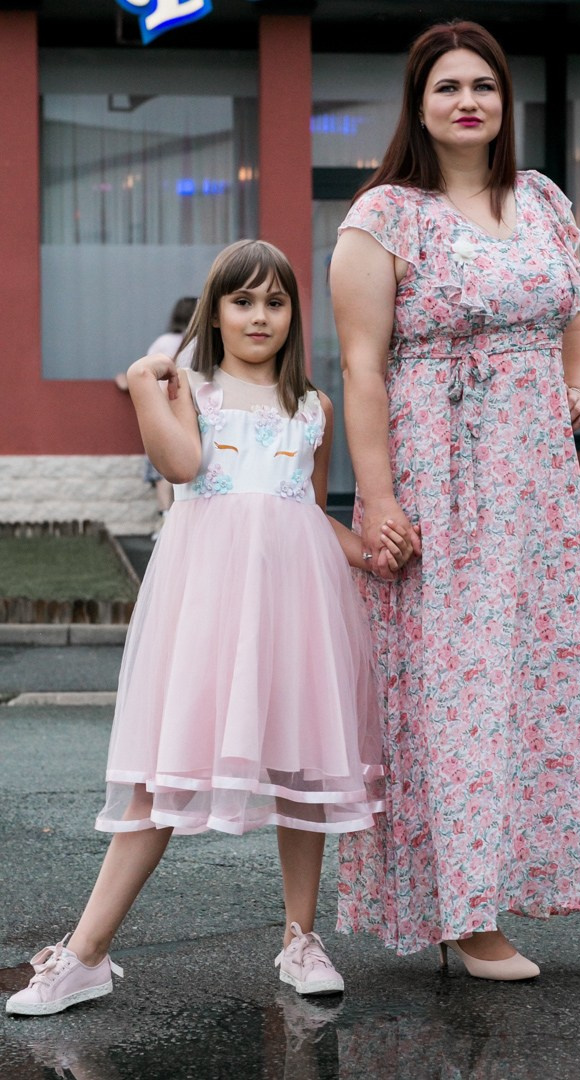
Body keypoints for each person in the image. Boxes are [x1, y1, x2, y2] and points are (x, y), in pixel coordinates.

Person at [330, 21, 580, 979]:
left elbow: (576, 316)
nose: (467, 101)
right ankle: (465, 909)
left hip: (540, 491)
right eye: (446, 86)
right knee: (460, 689)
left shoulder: (544, 198)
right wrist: (377, 497)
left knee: (573, 684)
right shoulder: (385, 215)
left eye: (483, 85)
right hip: (443, 479)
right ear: (418, 105)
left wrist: (577, 386)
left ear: (504, 102)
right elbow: (359, 368)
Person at [5, 239, 415, 1017]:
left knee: (301, 770)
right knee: (164, 775)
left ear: (294, 316)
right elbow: (182, 466)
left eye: (275, 302)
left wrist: (371, 551)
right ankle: (85, 953)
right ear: (215, 313)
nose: (260, 316)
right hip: (205, 609)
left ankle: (300, 938)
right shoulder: (191, 389)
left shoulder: (314, 407)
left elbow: (306, 509)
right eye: (243, 301)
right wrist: (143, 388)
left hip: (296, 609)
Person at [114, 296, 198, 539]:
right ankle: (183, 522)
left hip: (162, 408)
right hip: (191, 407)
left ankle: (166, 519)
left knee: (163, 468)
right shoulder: (200, 342)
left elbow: (147, 373)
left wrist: (127, 382)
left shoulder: (165, 342)